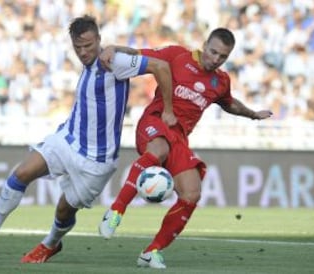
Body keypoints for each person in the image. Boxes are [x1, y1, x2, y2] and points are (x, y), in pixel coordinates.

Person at [0, 15, 176, 263]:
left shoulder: (115, 61)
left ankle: (51, 244)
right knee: (22, 172)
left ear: (99, 39)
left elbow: (161, 67)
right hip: (67, 138)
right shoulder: (91, 62)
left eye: (88, 46)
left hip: (97, 160)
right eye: (78, 47)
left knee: (65, 209)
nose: (84, 52)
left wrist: (168, 110)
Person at [98, 28, 273, 269]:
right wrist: (112, 48)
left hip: (179, 138)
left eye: (223, 56)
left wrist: (253, 114)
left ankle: (151, 252)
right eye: (213, 52)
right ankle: (116, 212)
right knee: (158, 150)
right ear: (204, 45)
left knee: (192, 193)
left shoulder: (220, 81)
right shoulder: (177, 55)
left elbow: (229, 103)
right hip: (156, 120)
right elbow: (138, 52)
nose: (215, 59)